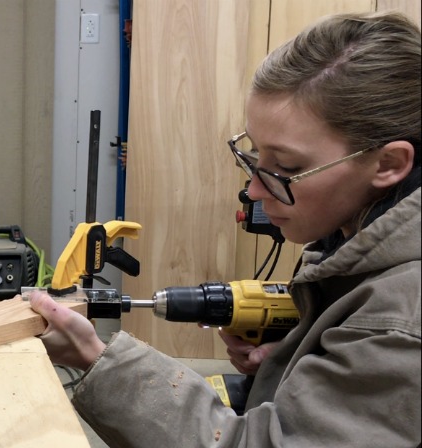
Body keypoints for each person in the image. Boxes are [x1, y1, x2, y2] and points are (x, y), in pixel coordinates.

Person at [28, 11, 420, 447]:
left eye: (286, 167)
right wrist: (297, 355)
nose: (253, 190)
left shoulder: (400, 322)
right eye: (253, 156)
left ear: (388, 164)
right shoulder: (353, 235)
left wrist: (94, 357)